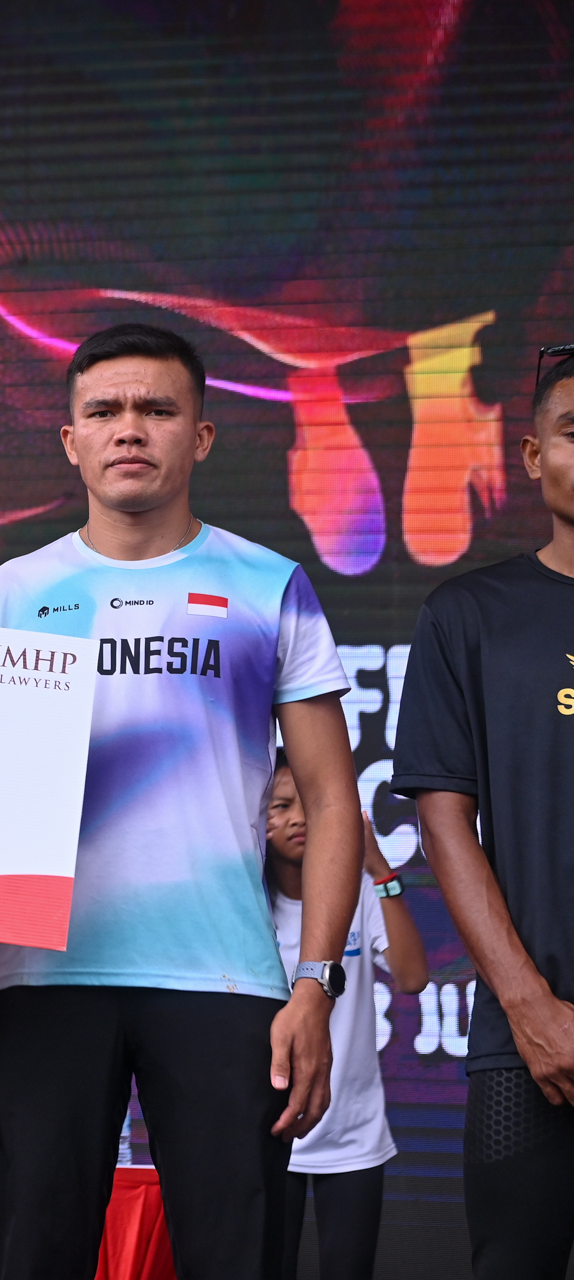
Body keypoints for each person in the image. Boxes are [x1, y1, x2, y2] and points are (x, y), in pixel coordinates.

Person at [0, 323, 363, 1280]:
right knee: (32, 1257)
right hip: (37, 984)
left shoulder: (270, 586)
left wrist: (314, 985)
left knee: (237, 1258)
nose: (130, 428)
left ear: (201, 436)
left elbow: (334, 803)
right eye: (105, 411)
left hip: (225, 981)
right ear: (71, 440)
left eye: (157, 409)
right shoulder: (9, 594)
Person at [390, 348, 574, 1279]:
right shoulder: (470, 614)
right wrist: (531, 1007)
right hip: (528, 1042)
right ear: (532, 456)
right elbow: (442, 823)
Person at [264, 749, 427, 1280]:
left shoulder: (357, 891)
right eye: (279, 806)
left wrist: (380, 870)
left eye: (306, 803)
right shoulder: (248, 904)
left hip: (353, 1132)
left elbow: (412, 977)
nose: (297, 818)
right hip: (271, 1128)